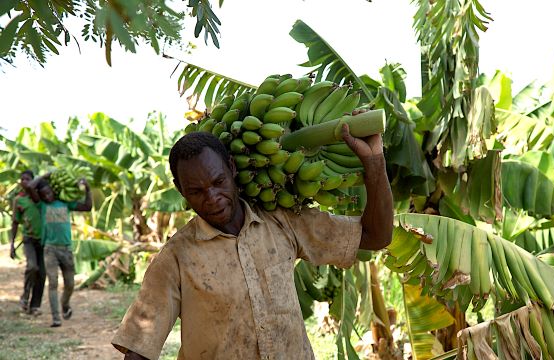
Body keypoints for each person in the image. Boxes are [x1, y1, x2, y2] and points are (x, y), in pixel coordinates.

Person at [112, 122, 393, 360]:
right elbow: (138, 350)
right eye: (196, 191)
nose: (212, 198)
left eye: (218, 182)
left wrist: (374, 161)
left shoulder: (282, 222)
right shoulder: (175, 259)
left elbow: (376, 236)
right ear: (180, 190)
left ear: (232, 168)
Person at [26, 173, 92, 327]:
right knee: (53, 282)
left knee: (70, 284)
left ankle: (65, 304)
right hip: (50, 249)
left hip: (66, 249)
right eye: (44, 194)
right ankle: (56, 318)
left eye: (49, 193)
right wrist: (45, 176)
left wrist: (87, 189)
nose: (47, 196)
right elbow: (30, 187)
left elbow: (87, 207)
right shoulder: (42, 205)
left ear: (54, 191)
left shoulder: (65, 203)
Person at [10, 169, 45, 316]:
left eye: (28, 179)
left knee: (42, 273)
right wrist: (11, 244)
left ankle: (35, 305)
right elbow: (15, 223)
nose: (24, 182)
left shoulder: (40, 197)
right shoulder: (19, 200)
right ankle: (25, 296)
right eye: (22, 179)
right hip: (28, 239)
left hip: (43, 240)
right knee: (32, 267)